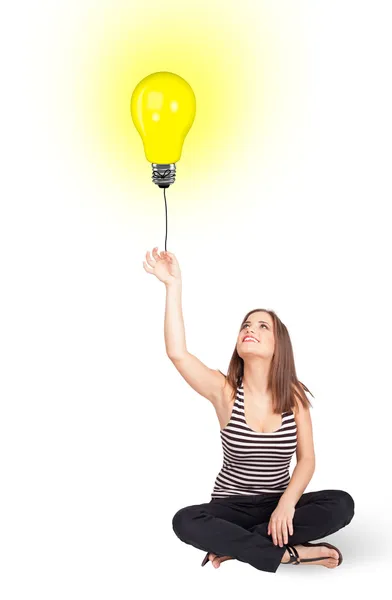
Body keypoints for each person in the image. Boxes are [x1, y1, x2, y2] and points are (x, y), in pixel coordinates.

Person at [143, 247, 355, 573]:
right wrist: (173, 285)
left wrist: (286, 505)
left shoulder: (294, 397)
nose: (250, 329)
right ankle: (288, 553)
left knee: (341, 503)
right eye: (246, 325)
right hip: (231, 507)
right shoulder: (225, 391)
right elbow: (178, 353)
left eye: (262, 326)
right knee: (185, 520)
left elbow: (307, 460)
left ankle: (238, 546)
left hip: (278, 504)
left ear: (278, 345)